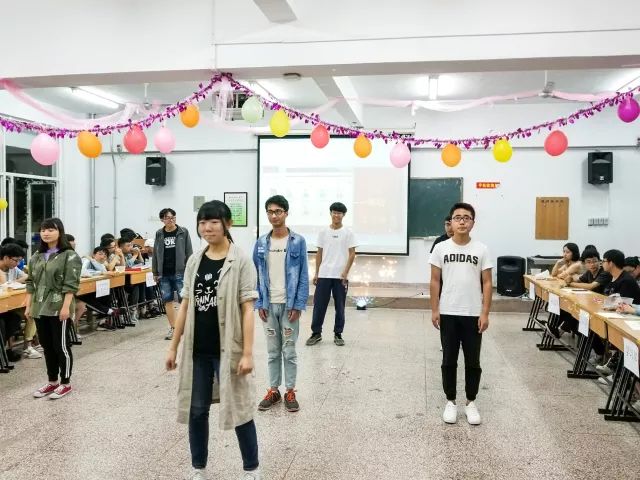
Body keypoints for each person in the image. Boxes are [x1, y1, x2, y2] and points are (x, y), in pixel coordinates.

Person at [165, 200, 261, 480]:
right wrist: (173, 347)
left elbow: (248, 308)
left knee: (240, 409)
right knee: (196, 411)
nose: (207, 228)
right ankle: (198, 468)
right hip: (197, 350)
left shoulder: (241, 260)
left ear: (227, 224)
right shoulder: (195, 260)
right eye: (202, 222)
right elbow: (185, 305)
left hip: (228, 348)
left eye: (214, 222)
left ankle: (252, 468)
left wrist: (247, 353)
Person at [429, 202, 493, 425]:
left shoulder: (481, 249)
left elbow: (487, 282)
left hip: (473, 314)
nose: (462, 221)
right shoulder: (441, 248)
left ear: (473, 223)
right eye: (458, 217)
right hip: (448, 311)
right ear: (451, 222)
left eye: (467, 218)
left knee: (473, 361)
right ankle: (450, 401)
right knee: (449, 359)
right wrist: (435, 309)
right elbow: (434, 280)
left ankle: (471, 402)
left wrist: (485, 312)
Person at [253, 195, 309, 413]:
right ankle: (274, 390)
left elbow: (303, 275)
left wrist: (298, 305)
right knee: (272, 351)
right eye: (270, 211)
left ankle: (290, 391)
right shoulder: (261, 242)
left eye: (278, 211)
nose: (274, 215)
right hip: (268, 305)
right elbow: (256, 274)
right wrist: (260, 302)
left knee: (290, 350)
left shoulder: (298, 241)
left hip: (289, 305)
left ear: (286, 213)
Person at [26, 218, 82, 399]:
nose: (46, 233)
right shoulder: (37, 255)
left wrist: (66, 308)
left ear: (60, 232)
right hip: (39, 306)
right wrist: (28, 305)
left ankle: (66, 383)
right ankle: (52, 381)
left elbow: (71, 284)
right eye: (43, 230)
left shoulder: (69, 255)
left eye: (50, 229)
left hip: (59, 305)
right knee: (47, 345)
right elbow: (30, 282)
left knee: (61, 346)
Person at [306, 202, 357, 347]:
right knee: (319, 306)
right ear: (330, 213)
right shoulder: (323, 232)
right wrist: (317, 273)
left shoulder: (348, 233)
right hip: (324, 274)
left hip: (340, 276)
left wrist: (345, 272)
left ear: (343, 215)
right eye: (334, 212)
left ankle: (338, 334)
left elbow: (352, 254)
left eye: (339, 213)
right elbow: (319, 253)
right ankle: (316, 333)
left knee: (340, 306)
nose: (336, 215)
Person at [548, 246, 612, 339]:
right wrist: (570, 278)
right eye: (588, 262)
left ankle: (559, 331)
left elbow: (591, 286)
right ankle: (554, 329)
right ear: (584, 264)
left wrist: (570, 283)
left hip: (601, 306)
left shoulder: (604, 273)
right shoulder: (589, 273)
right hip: (591, 303)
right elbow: (578, 280)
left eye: (595, 261)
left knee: (574, 311)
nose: (592, 264)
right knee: (566, 307)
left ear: (600, 261)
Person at [595, 249, 640, 378]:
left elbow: (625, 304)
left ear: (611, 263)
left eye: (603, 261)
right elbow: (613, 299)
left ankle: (619, 374)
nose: (602, 264)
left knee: (624, 339)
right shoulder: (612, 277)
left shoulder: (626, 281)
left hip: (631, 320)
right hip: (624, 316)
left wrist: (615, 306)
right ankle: (613, 365)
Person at [153, 208, 193, 340]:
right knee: (167, 300)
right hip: (164, 273)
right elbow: (155, 254)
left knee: (184, 300)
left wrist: (190, 270)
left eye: (173, 217)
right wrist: (155, 271)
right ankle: (174, 328)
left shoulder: (183, 232)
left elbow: (189, 252)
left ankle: (186, 327)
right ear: (162, 220)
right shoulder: (159, 233)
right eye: (168, 218)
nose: (171, 220)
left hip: (180, 272)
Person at [0, 243, 40, 360]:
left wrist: (14, 282)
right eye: (15, 260)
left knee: (32, 312)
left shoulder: (13, 268)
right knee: (5, 322)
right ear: (6, 257)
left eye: (19, 261)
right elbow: (4, 286)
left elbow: (28, 277)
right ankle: (6, 351)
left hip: (10, 306)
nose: (17, 264)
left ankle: (27, 346)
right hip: (2, 307)